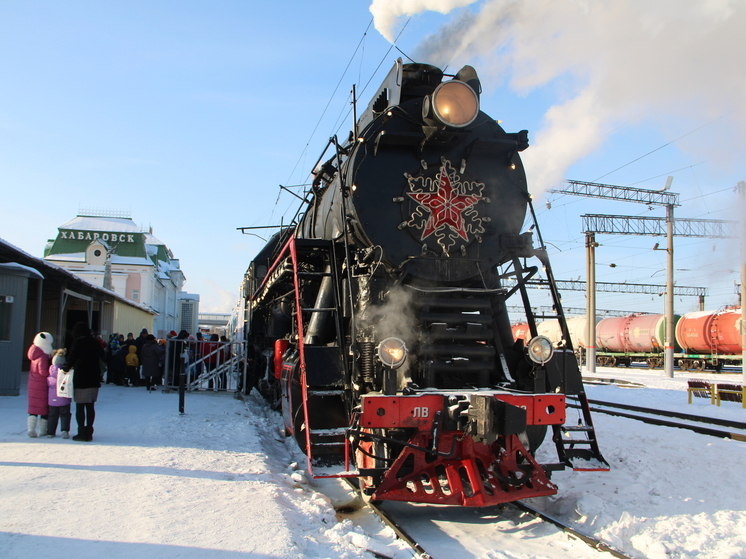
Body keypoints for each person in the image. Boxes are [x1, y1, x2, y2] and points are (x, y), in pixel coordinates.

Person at [62, 322, 105, 442]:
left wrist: (65, 369)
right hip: (94, 378)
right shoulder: (95, 342)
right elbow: (103, 355)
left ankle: (81, 432)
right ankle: (89, 432)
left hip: (81, 378)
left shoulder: (78, 342)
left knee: (80, 407)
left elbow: (72, 357)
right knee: (90, 406)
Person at [26, 332, 53, 437]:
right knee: (44, 409)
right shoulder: (43, 356)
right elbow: (43, 371)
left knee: (33, 408)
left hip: (33, 384)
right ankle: (42, 430)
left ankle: (30, 429)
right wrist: (51, 371)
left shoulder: (34, 353)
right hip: (41, 385)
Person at [47, 349, 72, 438]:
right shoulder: (66, 373)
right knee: (65, 414)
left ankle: (50, 432)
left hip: (52, 400)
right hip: (64, 398)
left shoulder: (50, 375)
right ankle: (64, 430)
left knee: (52, 415)